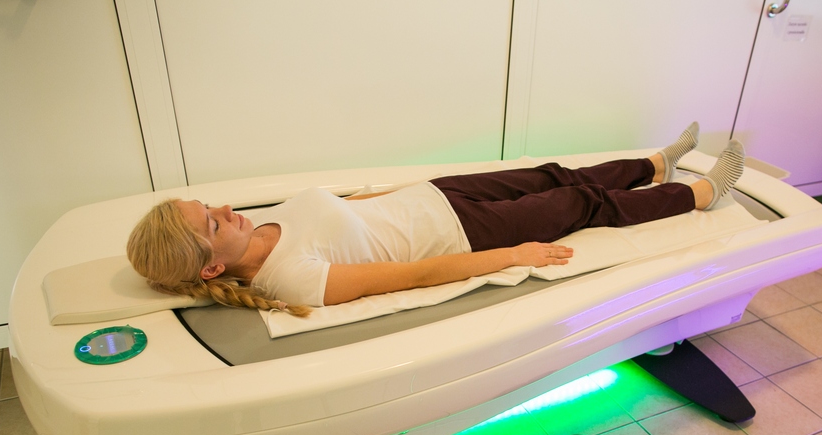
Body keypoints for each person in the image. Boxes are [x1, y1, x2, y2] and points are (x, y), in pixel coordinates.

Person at [127, 125, 745, 317]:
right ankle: (696, 196)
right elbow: (414, 276)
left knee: (553, 172)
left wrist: (402, 189)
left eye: (210, 206)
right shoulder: (292, 280)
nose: (226, 212)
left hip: (437, 194)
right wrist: (511, 256)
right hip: (464, 233)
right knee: (582, 203)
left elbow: (353, 209)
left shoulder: (255, 227)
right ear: (211, 268)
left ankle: (652, 164)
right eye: (214, 224)